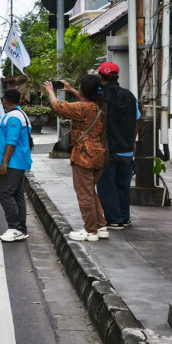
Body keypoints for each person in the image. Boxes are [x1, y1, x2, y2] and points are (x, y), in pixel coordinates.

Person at [45, 76, 108, 242]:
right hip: (98, 152)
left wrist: (51, 92)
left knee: (84, 193)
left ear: (84, 91)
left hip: (84, 154)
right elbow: (84, 104)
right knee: (90, 191)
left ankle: (90, 231)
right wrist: (72, 90)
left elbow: (58, 107)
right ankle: (101, 226)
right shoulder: (97, 106)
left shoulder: (84, 107)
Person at [94, 62, 139, 229]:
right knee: (123, 185)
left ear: (101, 77)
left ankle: (114, 219)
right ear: (117, 76)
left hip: (108, 149)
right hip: (126, 149)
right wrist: (132, 140)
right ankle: (125, 217)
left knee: (107, 185)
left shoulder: (99, 97)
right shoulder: (129, 96)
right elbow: (137, 120)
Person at [0, 89, 33, 243]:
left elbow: (12, 140)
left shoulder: (13, 117)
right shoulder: (19, 114)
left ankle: (15, 228)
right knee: (16, 195)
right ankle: (21, 229)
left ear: (5, 101)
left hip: (13, 162)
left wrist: (4, 162)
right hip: (18, 161)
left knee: (4, 193)